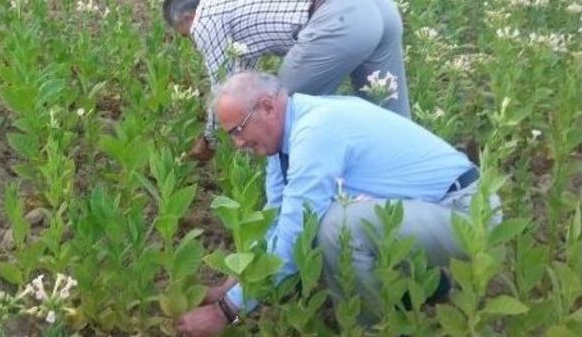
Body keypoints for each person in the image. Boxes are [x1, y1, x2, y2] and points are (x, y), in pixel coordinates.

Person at [175, 71, 501, 336]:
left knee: (335, 227)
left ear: (268, 107)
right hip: (426, 210)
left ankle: (375, 329)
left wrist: (228, 312)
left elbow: (297, 228)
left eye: (239, 130)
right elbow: (277, 220)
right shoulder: (283, 143)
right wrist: (231, 286)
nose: (238, 144)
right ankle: (423, 286)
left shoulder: (317, 129)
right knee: (330, 224)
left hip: (467, 212)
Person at [163, 0, 410, 162]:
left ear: (188, 17)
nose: (193, 42)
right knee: (391, 117)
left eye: (187, 36)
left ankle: (299, 198)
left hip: (338, 15)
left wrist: (210, 139)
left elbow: (226, 87)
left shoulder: (206, 16)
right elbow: (242, 77)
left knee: (280, 115)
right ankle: (407, 181)